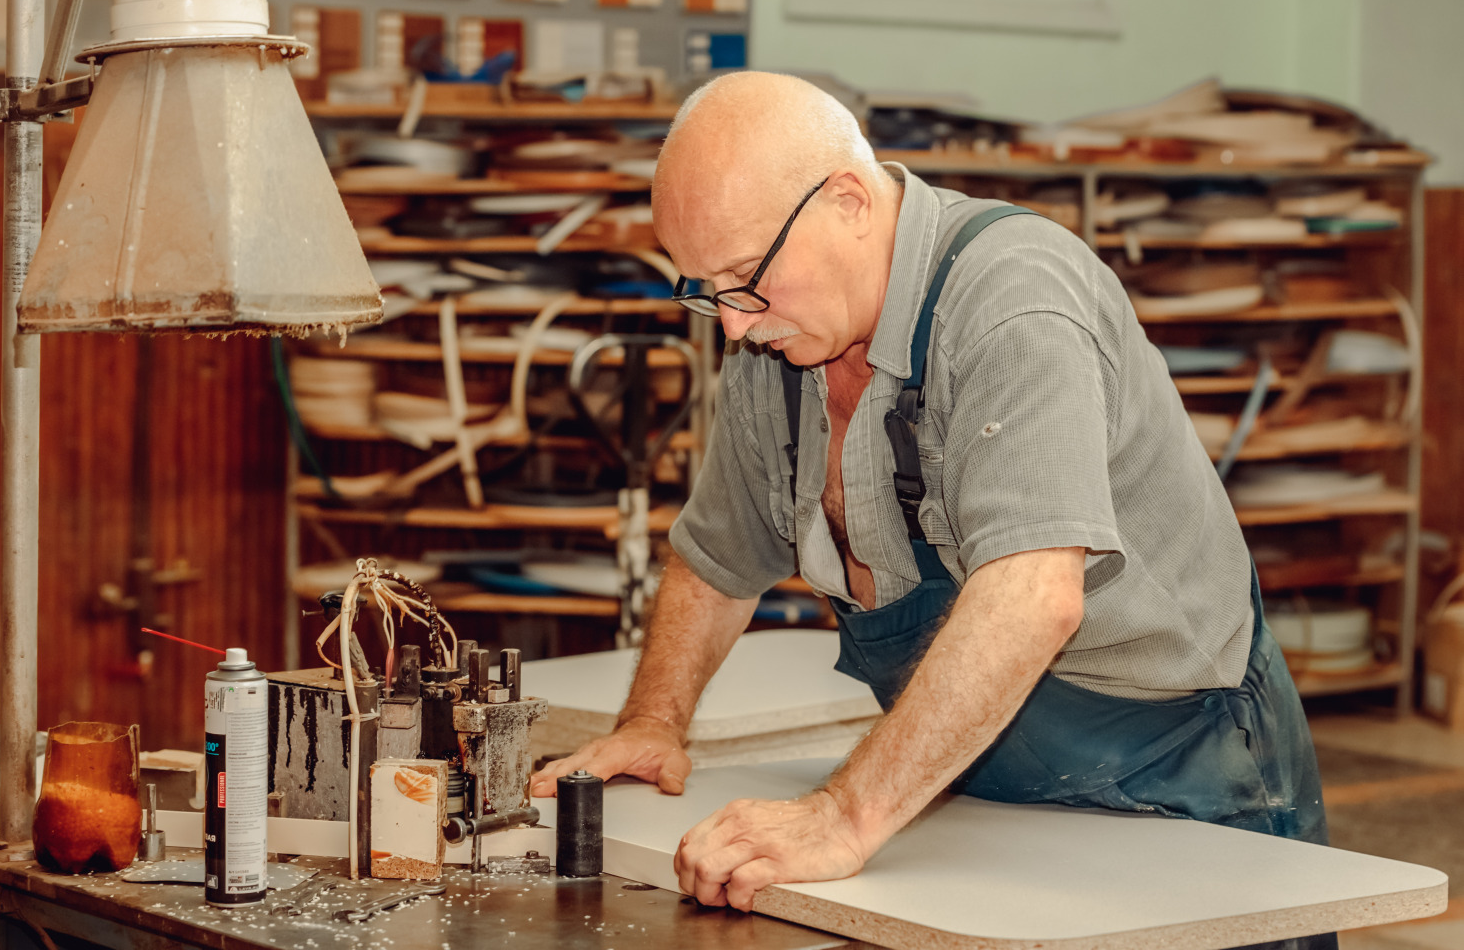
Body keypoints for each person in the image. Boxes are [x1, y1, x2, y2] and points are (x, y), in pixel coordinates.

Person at [530, 72, 1331, 949]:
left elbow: (1034, 595)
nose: (728, 325)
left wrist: (843, 815)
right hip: (978, 790)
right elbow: (716, 561)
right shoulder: (775, 338)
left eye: (744, 278)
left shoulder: (1012, 303)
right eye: (702, 288)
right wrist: (653, 721)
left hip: (1181, 775)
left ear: (847, 202)